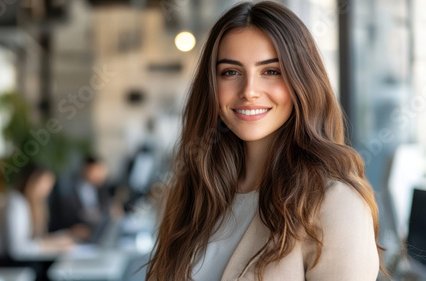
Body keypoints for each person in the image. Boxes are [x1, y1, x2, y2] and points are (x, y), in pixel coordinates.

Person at [145, 1, 388, 281]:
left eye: (271, 71)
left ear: (303, 81)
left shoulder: (333, 203)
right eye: (231, 72)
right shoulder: (196, 191)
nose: (249, 91)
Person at [3, 165, 76, 259]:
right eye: (44, 183)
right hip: (7, 264)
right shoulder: (16, 203)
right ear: (32, 182)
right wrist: (54, 246)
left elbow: (36, 239)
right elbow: (17, 249)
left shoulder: (36, 205)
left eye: (50, 185)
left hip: (25, 263)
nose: (47, 190)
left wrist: (62, 237)